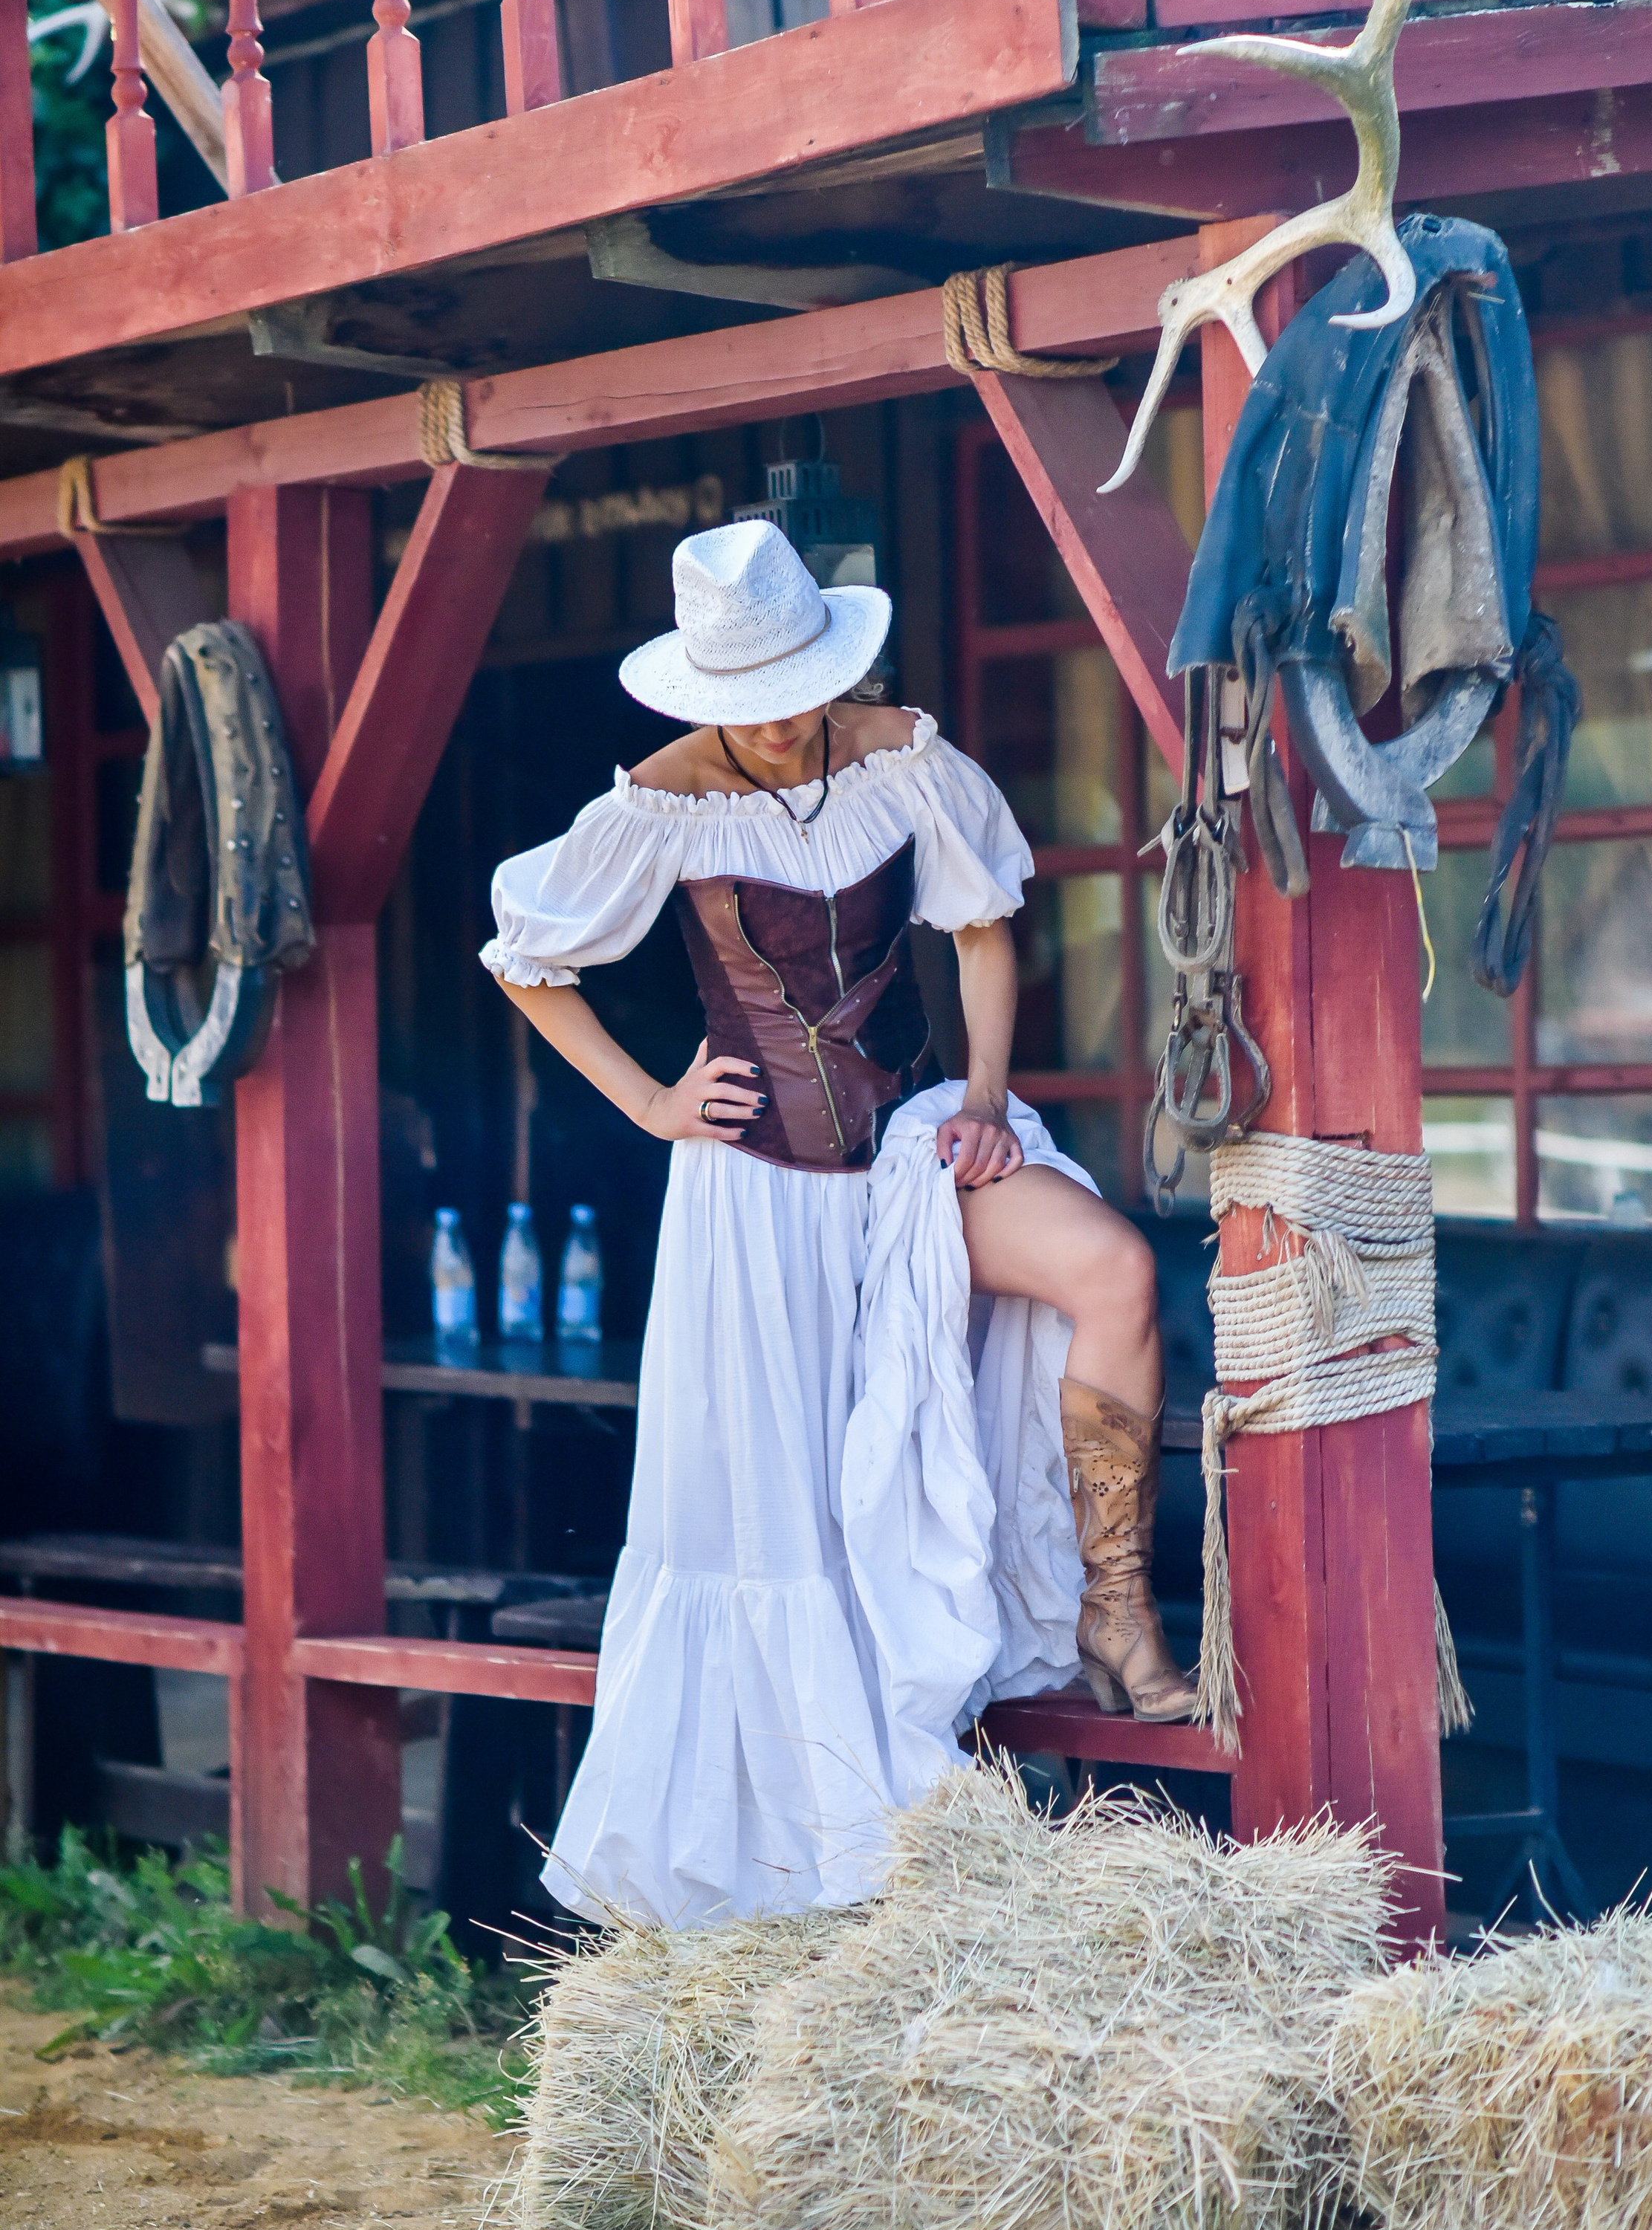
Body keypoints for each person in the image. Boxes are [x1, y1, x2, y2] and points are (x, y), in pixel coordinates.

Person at [483, 520, 1193, 1928]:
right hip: (755, 1204)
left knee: (1109, 1266)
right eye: (758, 708)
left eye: (804, 691)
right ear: (706, 701)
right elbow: (526, 957)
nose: (792, 726)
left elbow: (981, 925)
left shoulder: (905, 757)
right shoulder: (661, 805)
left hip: (911, 1160)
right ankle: (827, 1866)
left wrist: (988, 1098)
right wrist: (650, 1104)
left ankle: (1116, 1613)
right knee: (786, 1518)